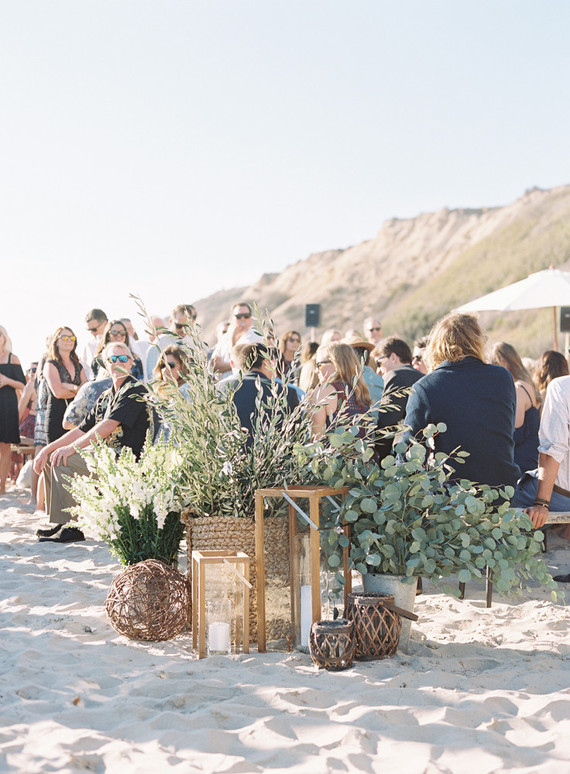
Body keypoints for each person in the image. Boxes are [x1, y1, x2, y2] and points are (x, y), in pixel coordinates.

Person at [34, 342, 157, 543]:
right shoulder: (106, 396)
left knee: (63, 460)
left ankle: (72, 528)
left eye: (123, 358)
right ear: (105, 364)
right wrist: (47, 449)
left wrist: (70, 449)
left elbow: (108, 426)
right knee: (51, 457)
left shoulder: (135, 390)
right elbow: (81, 429)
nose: (118, 363)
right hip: (105, 457)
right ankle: (61, 522)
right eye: (112, 359)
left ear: (131, 362)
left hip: (125, 461)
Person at [404, 313, 519, 488]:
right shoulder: (502, 377)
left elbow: (410, 453)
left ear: (436, 345)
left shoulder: (426, 387)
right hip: (503, 488)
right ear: (477, 341)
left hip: (453, 494)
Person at [510, 374, 570, 582]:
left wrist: (541, 503)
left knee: (502, 502)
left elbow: (552, 450)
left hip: (562, 495)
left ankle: (487, 564)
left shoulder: (562, 387)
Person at [217, 342, 300, 444]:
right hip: (271, 452)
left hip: (228, 451)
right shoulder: (285, 392)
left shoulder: (220, 388)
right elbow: (295, 436)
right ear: (266, 362)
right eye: (272, 362)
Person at [491, 341, 540, 474]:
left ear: (503, 362)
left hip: (522, 461)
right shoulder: (525, 384)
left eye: (494, 363)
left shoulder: (518, 388)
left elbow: (515, 432)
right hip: (529, 457)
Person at [374, 336, 422, 459]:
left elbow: (387, 423)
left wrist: (380, 460)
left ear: (393, 357)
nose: (378, 370)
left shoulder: (396, 376)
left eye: (379, 363)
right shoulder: (421, 377)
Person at [309, 342, 371, 437]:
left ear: (335, 364)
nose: (316, 371)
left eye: (319, 365)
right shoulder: (360, 389)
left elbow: (315, 438)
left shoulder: (325, 390)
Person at [43, 327, 87, 445]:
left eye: (72, 338)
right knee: (55, 454)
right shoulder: (51, 364)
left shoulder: (78, 365)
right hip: (57, 416)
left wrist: (71, 387)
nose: (68, 340)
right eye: (64, 337)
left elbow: (86, 391)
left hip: (77, 418)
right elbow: (58, 393)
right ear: (56, 342)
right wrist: (78, 390)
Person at [0, 326, 26, 494]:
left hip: (7, 406)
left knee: (5, 446)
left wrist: (6, 380)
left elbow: (23, 384)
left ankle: (2, 485)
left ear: (4, 337)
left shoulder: (12, 358)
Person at [145, 304, 198, 377]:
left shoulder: (194, 344)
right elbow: (152, 376)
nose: (183, 330)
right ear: (170, 321)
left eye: (187, 326)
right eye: (179, 326)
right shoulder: (158, 344)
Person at [211, 302, 259, 375]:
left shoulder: (256, 336)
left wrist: (232, 340)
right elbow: (213, 365)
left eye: (246, 316)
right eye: (238, 316)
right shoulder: (225, 337)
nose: (243, 319)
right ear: (231, 318)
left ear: (250, 317)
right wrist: (234, 364)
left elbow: (249, 365)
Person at [80, 309, 108, 380]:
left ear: (105, 324)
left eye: (94, 329)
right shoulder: (88, 346)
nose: (91, 332)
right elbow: (85, 369)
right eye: (89, 330)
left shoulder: (118, 340)